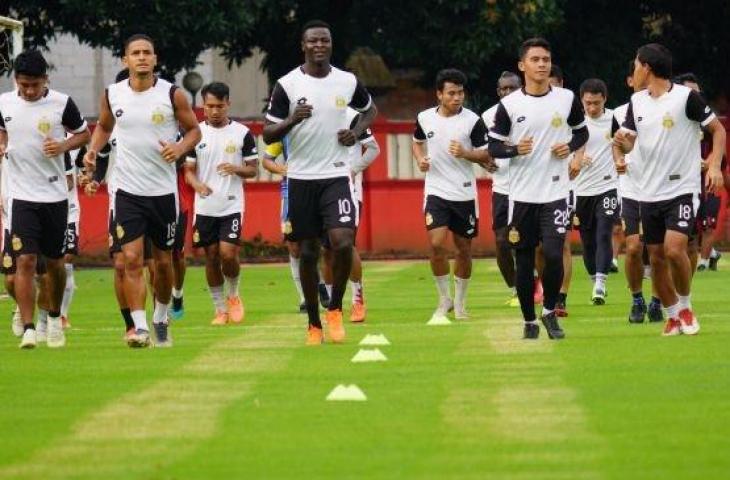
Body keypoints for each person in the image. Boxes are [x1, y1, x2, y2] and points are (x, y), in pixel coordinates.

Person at [262, 20, 377, 345]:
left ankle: (336, 308)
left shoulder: (347, 80)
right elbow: (267, 132)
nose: (319, 46)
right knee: (308, 251)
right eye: (312, 41)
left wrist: (354, 132)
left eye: (324, 40)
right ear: (303, 45)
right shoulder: (287, 84)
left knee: (342, 242)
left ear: (331, 44)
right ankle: (314, 322)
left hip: (337, 175)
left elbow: (371, 111)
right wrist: (291, 119)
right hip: (301, 178)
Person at [84, 34, 201, 348]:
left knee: (163, 264)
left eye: (146, 53)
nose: (141, 58)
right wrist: (93, 150)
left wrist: (179, 148)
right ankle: (139, 328)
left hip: (163, 192)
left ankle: (161, 317)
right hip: (127, 191)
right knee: (132, 259)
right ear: (125, 60)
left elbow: (194, 130)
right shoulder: (112, 94)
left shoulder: (173, 94)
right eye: (135, 53)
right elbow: (105, 128)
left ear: (155, 58)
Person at [615, 43, 726, 336]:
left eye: (636, 65)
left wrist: (714, 166)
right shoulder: (636, 102)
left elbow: (718, 130)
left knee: (675, 249)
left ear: (647, 68)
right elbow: (630, 142)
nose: (634, 70)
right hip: (647, 192)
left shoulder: (685, 97)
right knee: (656, 257)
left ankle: (687, 307)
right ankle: (673, 315)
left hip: (681, 188)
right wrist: (621, 143)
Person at [489, 38, 588, 340]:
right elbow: (493, 146)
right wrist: (515, 149)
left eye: (546, 59)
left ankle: (549, 312)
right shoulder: (509, 106)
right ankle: (529, 320)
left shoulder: (567, 98)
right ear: (523, 65)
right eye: (536, 59)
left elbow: (582, 132)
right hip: (521, 196)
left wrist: (570, 147)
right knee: (525, 260)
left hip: (556, 192)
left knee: (556, 254)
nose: (542, 64)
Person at [0, 50, 90, 349]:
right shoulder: (4, 103)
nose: (28, 90)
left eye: (34, 85)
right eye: (23, 84)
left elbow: (84, 134)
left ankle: (53, 316)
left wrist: (62, 145)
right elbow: (3, 136)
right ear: (16, 80)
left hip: (54, 196)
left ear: (45, 80)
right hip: (20, 196)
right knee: (24, 261)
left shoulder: (62, 103)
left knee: (55, 264)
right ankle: (28, 328)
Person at [413, 68, 490, 321]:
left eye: (460, 93)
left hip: (464, 193)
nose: (457, 98)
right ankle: (443, 298)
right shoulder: (424, 118)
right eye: (452, 93)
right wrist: (421, 159)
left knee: (463, 249)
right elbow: (417, 141)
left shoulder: (472, 121)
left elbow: (486, 154)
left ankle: (459, 303)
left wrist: (466, 153)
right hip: (436, 191)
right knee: (436, 243)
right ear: (439, 95)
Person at [184, 81, 258, 325]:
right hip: (205, 206)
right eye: (209, 106)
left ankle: (234, 295)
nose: (215, 111)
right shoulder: (195, 134)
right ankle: (219, 309)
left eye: (220, 106)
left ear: (228, 104)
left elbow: (252, 170)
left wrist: (236, 168)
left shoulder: (242, 133)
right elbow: (189, 172)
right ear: (202, 106)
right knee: (212, 256)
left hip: (231, 204)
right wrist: (197, 185)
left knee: (228, 254)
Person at [573, 78, 618, 304]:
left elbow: (627, 146)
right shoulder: (573, 122)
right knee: (587, 241)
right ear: (582, 100)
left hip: (608, 187)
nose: (592, 108)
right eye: (588, 103)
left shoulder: (614, 120)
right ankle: (594, 281)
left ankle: (601, 284)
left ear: (605, 100)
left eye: (596, 103)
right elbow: (558, 152)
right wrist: (577, 157)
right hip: (581, 191)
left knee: (604, 233)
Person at [674, 73, 724, 273]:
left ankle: (700, 267)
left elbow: (719, 142)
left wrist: (711, 165)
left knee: (697, 234)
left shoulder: (707, 120)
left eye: (697, 92)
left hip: (704, 183)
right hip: (674, 184)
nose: (695, 96)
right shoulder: (669, 119)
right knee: (676, 241)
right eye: (690, 92)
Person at [483, 71, 522, 307]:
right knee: (501, 241)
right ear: (498, 92)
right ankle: (516, 287)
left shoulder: (531, 111)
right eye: (503, 89)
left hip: (530, 186)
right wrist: (481, 159)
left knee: (531, 243)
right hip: (502, 187)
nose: (507, 93)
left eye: (512, 88)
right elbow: (478, 146)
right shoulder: (488, 116)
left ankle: (536, 286)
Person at [346, 108, 380, 322]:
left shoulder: (352, 117)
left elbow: (373, 149)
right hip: (316, 188)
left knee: (346, 244)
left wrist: (353, 169)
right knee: (324, 249)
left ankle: (357, 298)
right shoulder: (310, 114)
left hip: (348, 190)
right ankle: (332, 301)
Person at [548, 64, 574, 316]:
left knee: (562, 245)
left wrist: (577, 157)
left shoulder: (569, 106)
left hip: (565, 186)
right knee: (538, 248)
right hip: (534, 188)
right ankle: (547, 291)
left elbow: (583, 134)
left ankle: (561, 297)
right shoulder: (527, 107)